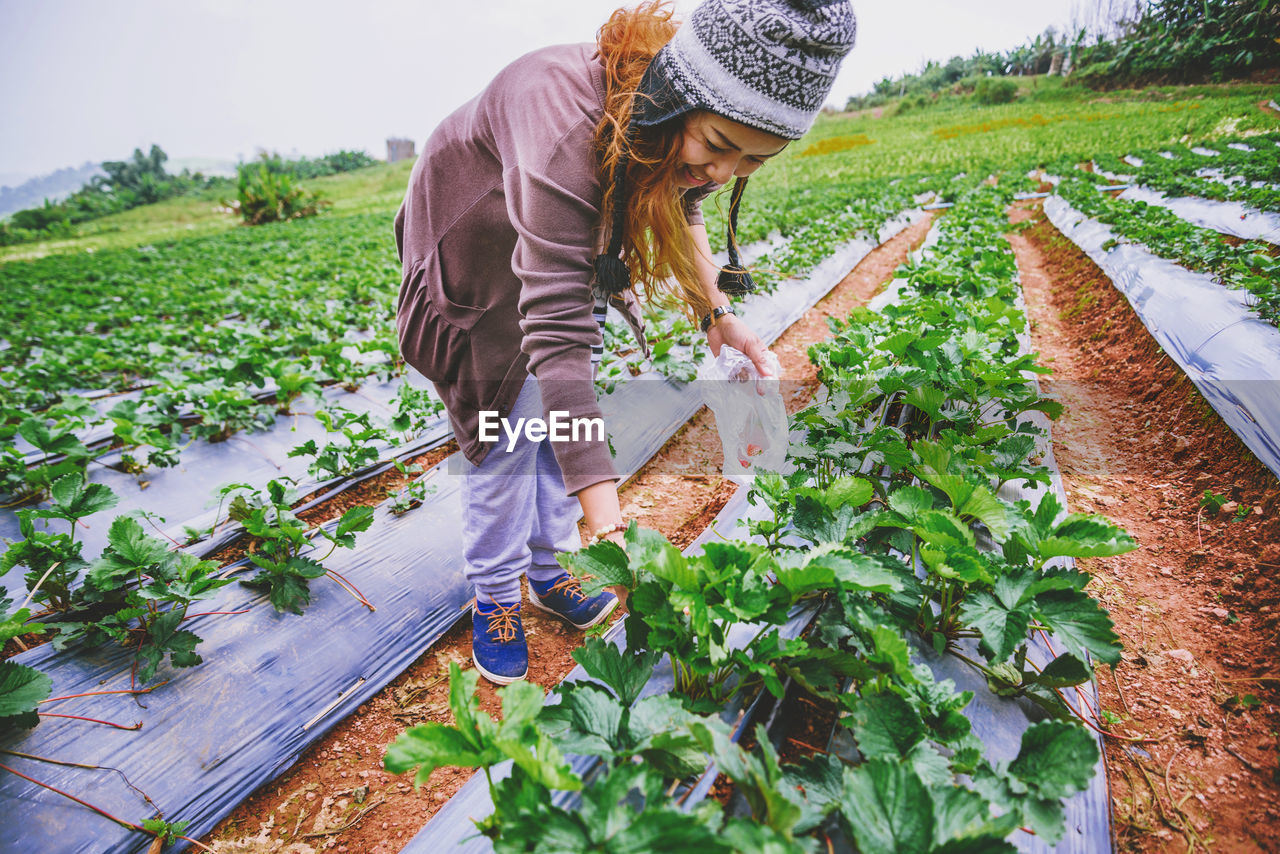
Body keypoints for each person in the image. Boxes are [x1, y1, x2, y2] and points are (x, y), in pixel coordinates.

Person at [395, 0, 857, 685]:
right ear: (682, 100)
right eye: (720, 146)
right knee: (507, 432)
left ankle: (551, 570)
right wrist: (612, 530)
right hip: (478, 259)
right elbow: (554, 334)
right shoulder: (560, 124)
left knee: (560, 416)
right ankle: (495, 593)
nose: (728, 172)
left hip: (564, 242)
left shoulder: (661, 123)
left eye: (755, 158)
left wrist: (716, 314)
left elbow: (686, 198)